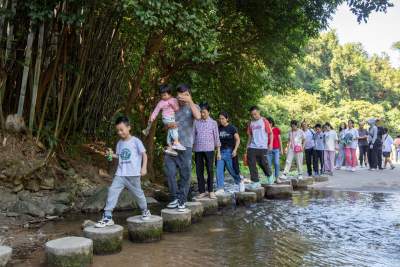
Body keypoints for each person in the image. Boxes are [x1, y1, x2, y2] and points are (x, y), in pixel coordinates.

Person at [95, 116, 150, 228]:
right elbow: (119, 156)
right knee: (112, 192)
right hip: (120, 174)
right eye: (118, 130)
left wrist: (144, 168)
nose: (120, 132)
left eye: (122, 129)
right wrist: (110, 155)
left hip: (133, 174)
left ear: (128, 127)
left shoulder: (136, 141)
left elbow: (144, 154)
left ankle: (145, 210)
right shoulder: (119, 143)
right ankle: (108, 216)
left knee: (138, 194)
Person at [164, 84, 201, 211]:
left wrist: (190, 101)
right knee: (169, 172)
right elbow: (165, 125)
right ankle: (174, 198)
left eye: (184, 94)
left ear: (188, 94)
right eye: (179, 95)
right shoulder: (172, 106)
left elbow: (198, 116)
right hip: (172, 145)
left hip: (186, 145)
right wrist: (169, 125)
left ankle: (182, 201)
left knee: (185, 174)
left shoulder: (194, 106)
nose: (181, 97)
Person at [144, 84, 185, 156]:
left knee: (170, 131)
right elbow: (156, 110)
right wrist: (152, 117)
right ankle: (176, 142)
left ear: (170, 93)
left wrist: (172, 104)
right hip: (166, 118)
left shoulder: (174, 100)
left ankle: (169, 147)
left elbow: (177, 109)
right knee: (174, 127)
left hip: (171, 117)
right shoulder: (161, 103)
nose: (163, 97)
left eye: (165, 95)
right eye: (162, 95)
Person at [193, 102, 221, 199]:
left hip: (209, 150)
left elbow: (217, 138)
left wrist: (218, 152)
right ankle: (202, 191)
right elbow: (193, 136)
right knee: (199, 170)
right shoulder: (196, 122)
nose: (202, 114)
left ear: (209, 112)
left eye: (204, 112)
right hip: (198, 149)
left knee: (210, 170)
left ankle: (210, 191)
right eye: (201, 112)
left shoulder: (213, 123)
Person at [216, 112, 242, 194]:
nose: (221, 120)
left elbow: (238, 139)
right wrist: (218, 153)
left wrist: (235, 150)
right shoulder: (218, 128)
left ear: (227, 119)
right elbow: (217, 142)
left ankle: (240, 181)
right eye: (220, 119)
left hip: (229, 152)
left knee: (232, 171)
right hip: (221, 151)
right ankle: (220, 188)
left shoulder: (232, 128)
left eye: (223, 118)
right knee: (218, 170)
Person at [246, 106, 273, 188]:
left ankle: (270, 175)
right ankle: (255, 181)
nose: (254, 116)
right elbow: (250, 136)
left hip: (262, 147)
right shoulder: (251, 123)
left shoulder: (264, 121)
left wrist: (270, 144)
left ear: (259, 112)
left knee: (263, 163)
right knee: (251, 164)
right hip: (252, 146)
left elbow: (270, 133)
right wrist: (247, 146)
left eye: (255, 114)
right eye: (252, 115)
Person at [266, 117, 283, 182]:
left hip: (276, 149)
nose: (269, 124)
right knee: (269, 165)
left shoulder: (276, 129)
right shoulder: (265, 130)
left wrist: (281, 149)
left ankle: (277, 178)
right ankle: (271, 178)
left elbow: (279, 140)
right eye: (268, 123)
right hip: (268, 150)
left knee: (276, 163)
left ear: (272, 123)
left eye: (270, 123)